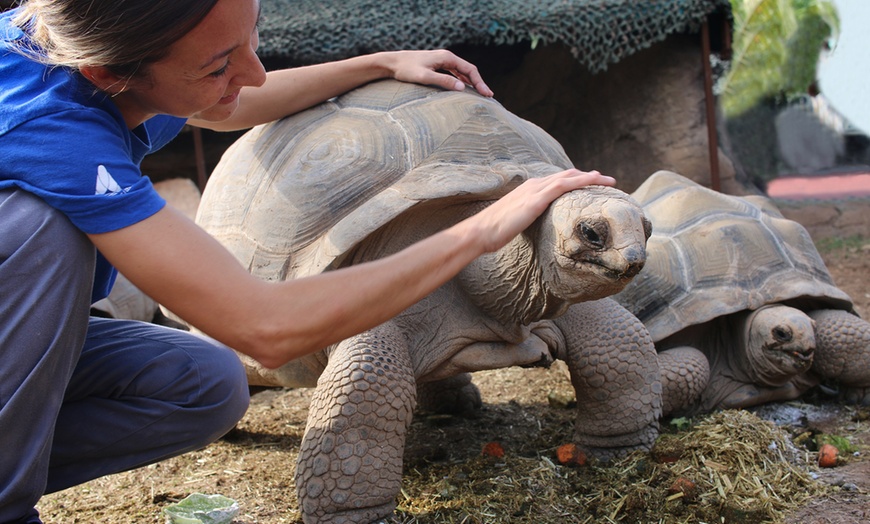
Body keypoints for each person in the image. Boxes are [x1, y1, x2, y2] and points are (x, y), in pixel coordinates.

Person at [0, 0, 615, 522]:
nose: (257, 72)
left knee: (209, 388)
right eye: (221, 63)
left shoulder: (79, 50)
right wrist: (481, 230)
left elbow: (226, 104)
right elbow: (264, 329)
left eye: (252, 34)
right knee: (42, 230)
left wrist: (382, 63)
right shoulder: (50, 127)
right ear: (109, 75)